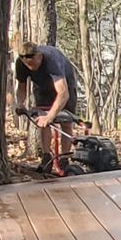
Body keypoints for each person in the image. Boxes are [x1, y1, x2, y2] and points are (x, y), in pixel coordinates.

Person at [12, 36, 83, 171]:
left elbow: (63, 93)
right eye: (27, 65)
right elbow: (21, 87)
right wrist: (20, 103)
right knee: (42, 121)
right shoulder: (21, 63)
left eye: (33, 64)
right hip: (42, 87)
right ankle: (46, 158)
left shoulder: (51, 61)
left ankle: (64, 159)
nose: (31, 68)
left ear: (39, 56)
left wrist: (50, 116)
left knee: (65, 122)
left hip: (64, 85)